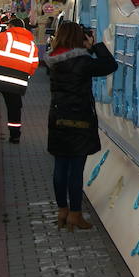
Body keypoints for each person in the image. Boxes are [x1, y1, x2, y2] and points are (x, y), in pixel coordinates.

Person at [44, 23, 118, 230]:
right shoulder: (83, 61)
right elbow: (110, 65)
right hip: (79, 120)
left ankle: (62, 210)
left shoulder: (53, 60)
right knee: (75, 170)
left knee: (60, 167)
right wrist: (94, 46)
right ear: (79, 38)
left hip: (58, 118)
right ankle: (75, 214)